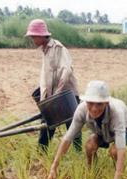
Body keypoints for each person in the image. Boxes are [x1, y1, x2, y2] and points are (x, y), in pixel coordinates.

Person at [45, 80, 127, 179]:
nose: (94, 109)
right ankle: (93, 174)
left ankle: (118, 175)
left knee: (114, 151)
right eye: (91, 103)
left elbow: (121, 148)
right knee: (89, 146)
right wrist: (54, 167)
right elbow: (68, 138)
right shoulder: (82, 109)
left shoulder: (116, 112)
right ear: (86, 101)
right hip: (102, 130)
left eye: (99, 104)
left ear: (106, 103)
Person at [25, 19, 82, 151]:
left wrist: (57, 94)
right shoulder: (45, 50)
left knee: (73, 127)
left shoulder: (58, 48)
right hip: (52, 96)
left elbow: (66, 70)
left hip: (67, 96)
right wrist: (46, 96)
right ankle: (41, 154)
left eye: (34, 36)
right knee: (46, 126)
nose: (33, 39)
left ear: (41, 35)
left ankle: (79, 156)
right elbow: (48, 76)